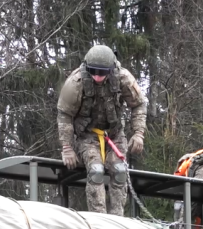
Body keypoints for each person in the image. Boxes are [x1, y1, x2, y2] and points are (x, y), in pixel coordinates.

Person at [56, 45, 147, 215]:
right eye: (93, 71)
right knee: (96, 171)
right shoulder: (76, 82)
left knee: (120, 171)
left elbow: (139, 104)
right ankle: (99, 220)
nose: (97, 76)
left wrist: (138, 133)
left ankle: (117, 219)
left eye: (102, 72)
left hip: (114, 135)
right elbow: (64, 115)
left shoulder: (123, 78)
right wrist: (67, 148)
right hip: (87, 136)